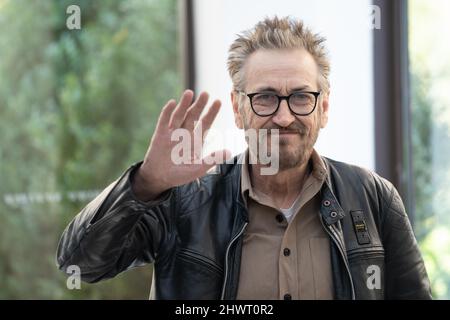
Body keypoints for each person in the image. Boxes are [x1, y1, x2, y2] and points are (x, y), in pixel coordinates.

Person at [56, 16, 432, 299]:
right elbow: (80, 263)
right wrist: (146, 183)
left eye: (301, 97)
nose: (284, 117)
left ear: (324, 107)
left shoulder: (374, 199)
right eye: (265, 97)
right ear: (238, 108)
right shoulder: (185, 198)